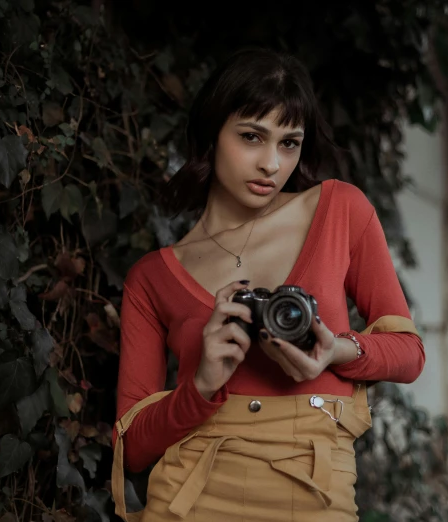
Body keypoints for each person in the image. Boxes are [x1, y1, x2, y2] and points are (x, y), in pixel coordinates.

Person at [112, 48, 425, 522]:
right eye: (251, 137)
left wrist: (336, 350)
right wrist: (201, 385)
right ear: (211, 134)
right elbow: (131, 451)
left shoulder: (340, 210)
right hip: (191, 496)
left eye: (289, 143)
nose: (271, 165)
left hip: (316, 492)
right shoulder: (152, 277)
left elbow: (408, 352)